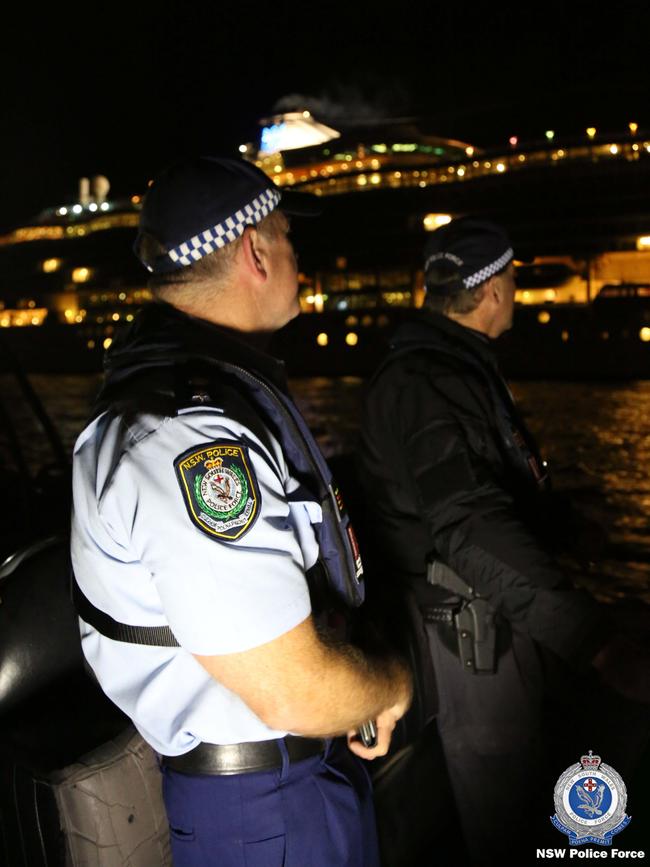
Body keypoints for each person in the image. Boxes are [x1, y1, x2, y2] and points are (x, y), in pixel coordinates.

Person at [70, 155, 412, 867]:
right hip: (263, 809)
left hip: (290, 782)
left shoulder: (200, 402)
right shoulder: (188, 437)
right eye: (288, 236)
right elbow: (293, 691)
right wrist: (394, 683)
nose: (298, 257)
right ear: (256, 250)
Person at [357, 216, 649, 864]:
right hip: (469, 636)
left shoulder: (445, 369)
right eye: (512, 281)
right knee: (506, 810)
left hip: (486, 616)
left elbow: (477, 492)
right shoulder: (431, 381)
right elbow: (469, 524)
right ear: (492, 292)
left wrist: (563, 525)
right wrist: (593, 641)